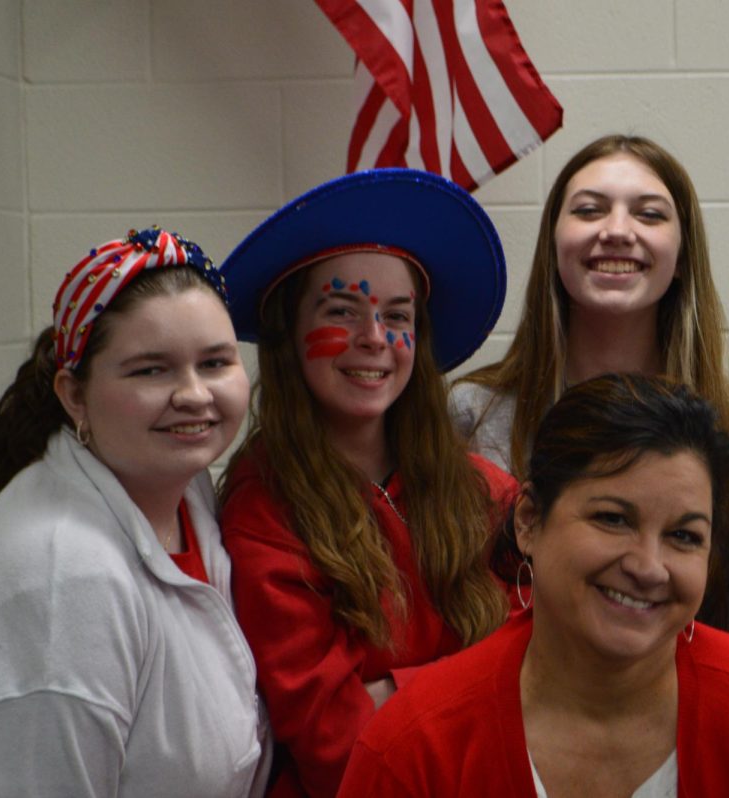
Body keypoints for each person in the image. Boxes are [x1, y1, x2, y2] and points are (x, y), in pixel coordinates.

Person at [338, 374, 729, 797]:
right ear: (528, 520)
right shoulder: (416, 746)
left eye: (684, 536)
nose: (649, 566)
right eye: (613, 519)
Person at [217, 169, 518, 798]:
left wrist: (393, 691)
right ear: (290, 333)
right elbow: (338, 748)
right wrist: (470, 685)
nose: (374, 339)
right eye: (342, 310)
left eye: (396, 315)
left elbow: (543, 678)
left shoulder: (486, 494)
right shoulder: (263, 507)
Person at [0, 228, 270, 797]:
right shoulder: (62, 584)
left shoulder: (186, 491)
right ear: (74, 395)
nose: (194, 395)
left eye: (214, 362)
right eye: (150, 370)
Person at [451, 133, 729, 637]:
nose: (617, 231)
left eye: (650, 215)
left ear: (681, 257)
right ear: (553, 245)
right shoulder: (473, 414)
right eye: (590, 211)